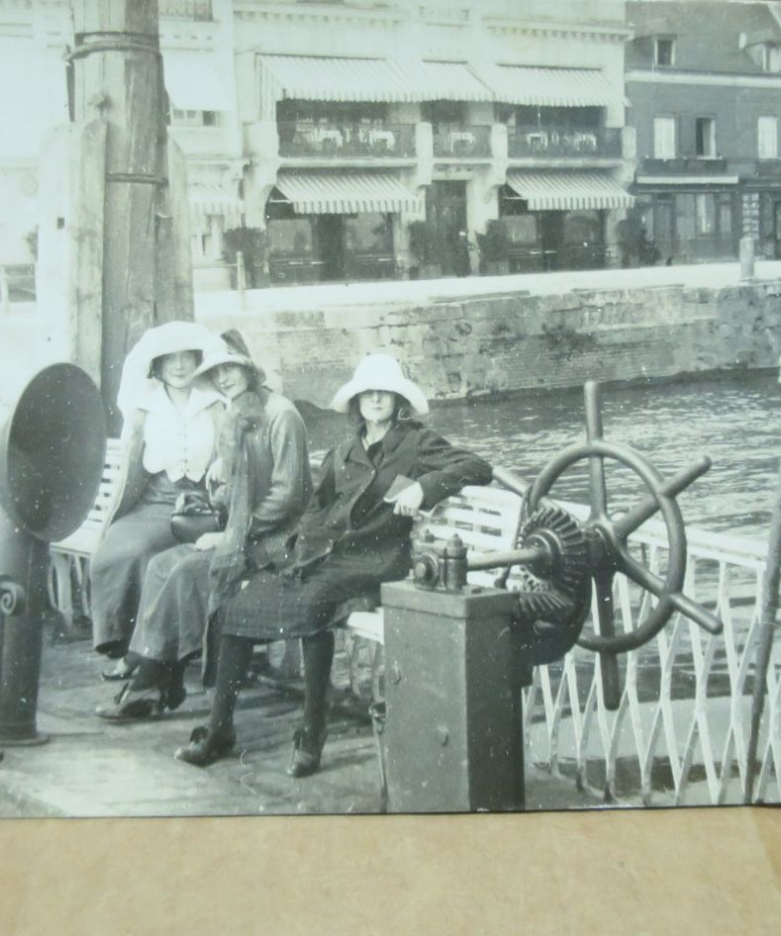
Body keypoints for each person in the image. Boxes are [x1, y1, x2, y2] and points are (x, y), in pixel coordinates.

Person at [175, 353, 492, 777]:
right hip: (322, 554)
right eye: (368, 393)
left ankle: (312, 735)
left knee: (313, 607)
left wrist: (422, 487)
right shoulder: (344, 449)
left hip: (376, 559)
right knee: (237, 603)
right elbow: (315, 505)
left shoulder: (415, 442)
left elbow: (477, 466)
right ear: (358, 401)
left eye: (385, 393)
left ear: (399, 401)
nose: (376, 399)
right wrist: (299, 544)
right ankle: (219, 728)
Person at [96, 337, 311, 721]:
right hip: (245, 533)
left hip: (280, 540)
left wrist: (233, 534)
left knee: (184, 571)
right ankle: (159, 675)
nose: (223, 378)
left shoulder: (281, 414)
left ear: (248, 367)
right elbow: (240, 484)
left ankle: (153, 684)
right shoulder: (235, 414)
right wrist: (218, 487)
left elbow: (288, 496)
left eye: (229, 367)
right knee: (161, 565)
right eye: (215, 372)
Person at [89, 321, 225, 677]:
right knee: (115, 553)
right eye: (170, 359)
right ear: (158, 366)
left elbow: (233, 456)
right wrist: (112, 515)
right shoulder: (143, 408)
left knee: (151, 555)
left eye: (186, 357)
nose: (179, 366)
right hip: (156, 502)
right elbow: (132, 469)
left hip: (201, 505)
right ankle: (126, 643)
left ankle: (148, 652)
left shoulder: (215, 405)